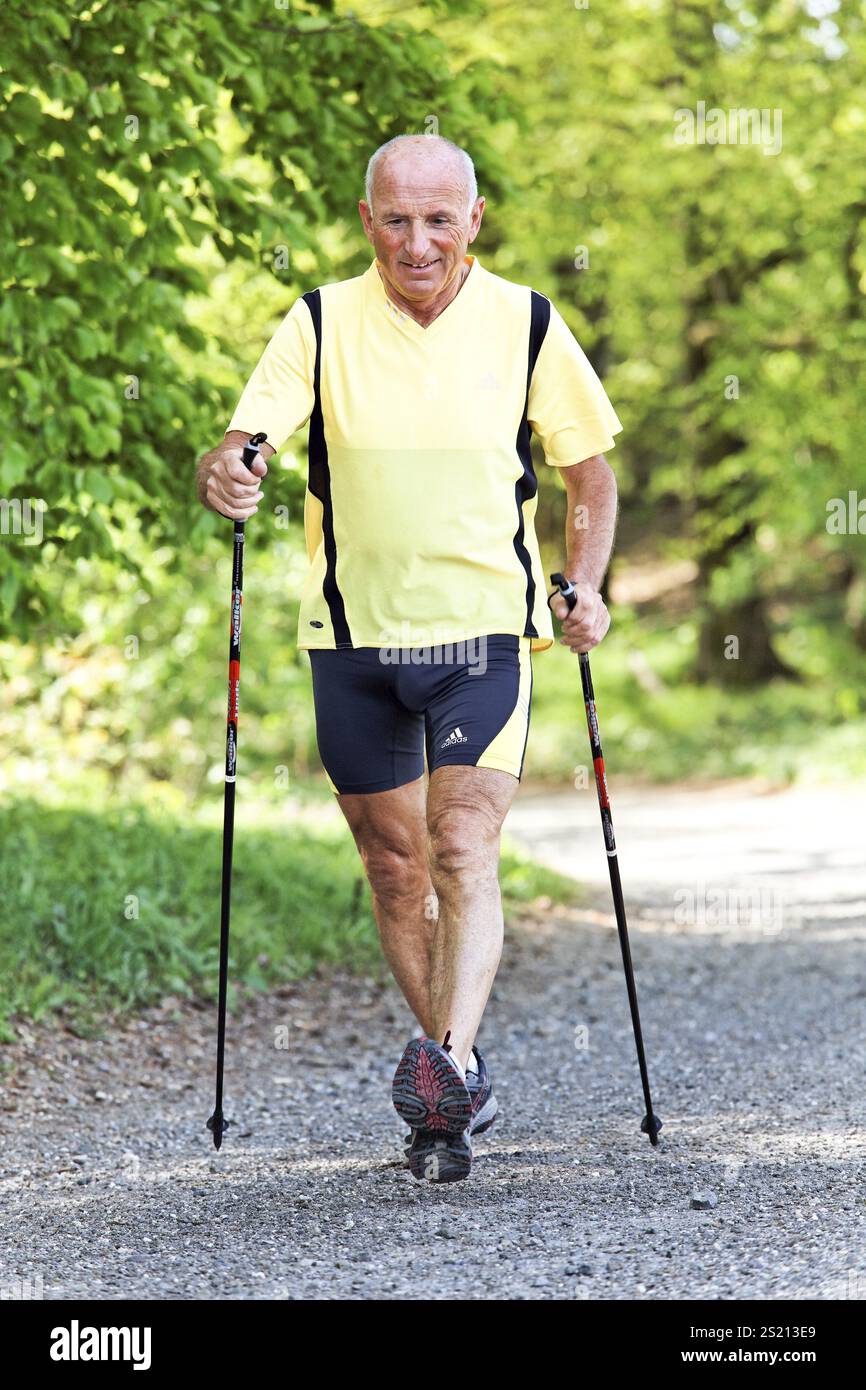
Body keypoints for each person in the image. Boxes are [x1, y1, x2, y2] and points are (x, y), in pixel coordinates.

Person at [196, 134, 622, 1183]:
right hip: (351, 638)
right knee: (393, 871)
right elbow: (247, 438)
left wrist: (587, 580)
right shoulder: (319, 320)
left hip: (480, 630)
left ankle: (450, 1065)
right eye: (396, 219)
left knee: (460, 844)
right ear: (365, 219)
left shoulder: (525, 319)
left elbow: (588, 472)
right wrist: (233, 468)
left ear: (473, 221)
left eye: (439, 219)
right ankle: (450, 1075)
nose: (416, 241)